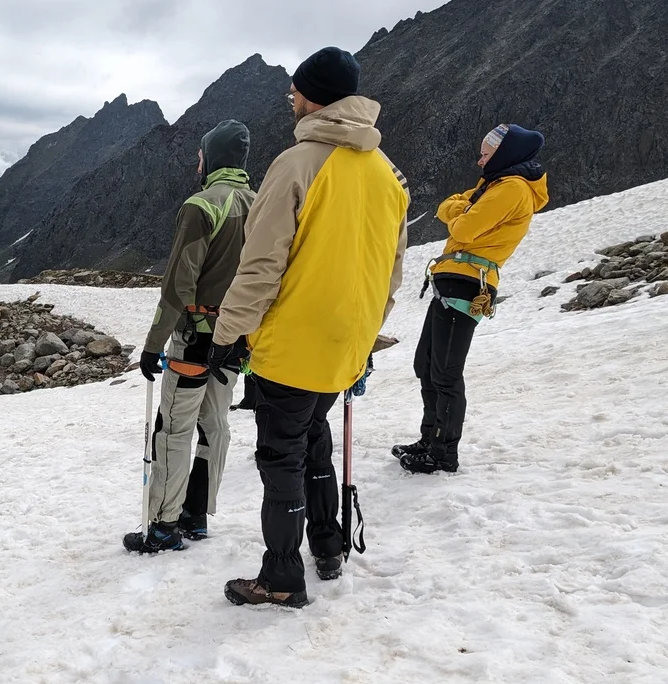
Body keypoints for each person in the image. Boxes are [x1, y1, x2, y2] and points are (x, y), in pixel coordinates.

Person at [207, 47, 409, 607]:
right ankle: (328, 545)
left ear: (314, 96)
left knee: (280, 457)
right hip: (344, 345)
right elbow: (390, 272)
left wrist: (228, 334)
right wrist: (364, 334)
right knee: (313, 437)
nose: (290, 100)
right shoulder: (387, 173)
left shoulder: (296, 165)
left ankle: (280, 577)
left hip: (292, 344)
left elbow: (261, 263)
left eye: (294, 91)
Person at [126, 119, 257, 553]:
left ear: (212, 158)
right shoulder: (260, 204)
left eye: (200, 155)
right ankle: (197, 514)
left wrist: (152, 344)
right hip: (236, 340)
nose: (195, 162)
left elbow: (178, 285)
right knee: (215, 424)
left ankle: (164, 524)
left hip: (195, 338)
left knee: (173, 429)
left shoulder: (203, 205)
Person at [394, 124, 548, 474]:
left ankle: (443, 453)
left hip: (468, 282)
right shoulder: (493, 186)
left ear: (505, 154)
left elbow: (461, 226)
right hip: (454, 279)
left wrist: (459, 211)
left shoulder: (511, 189)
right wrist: (459, 209)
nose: (480, 161)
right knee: (428, 364)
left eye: (486, 154)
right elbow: (449, 207)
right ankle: (430, 439)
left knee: (445, 371)